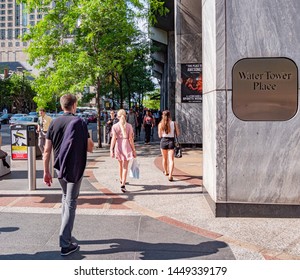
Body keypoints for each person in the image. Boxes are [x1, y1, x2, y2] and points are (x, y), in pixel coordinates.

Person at [43, 94, 94, 256]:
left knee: (65, 198)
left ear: (61, 106)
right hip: (74, 167)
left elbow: (46, 150)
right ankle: (65, 243)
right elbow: (90, 147)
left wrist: (46, 171)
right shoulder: (79, 122)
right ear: (74, 105)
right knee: (71, 201)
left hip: (59, 168)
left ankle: (67, 235)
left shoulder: (54, 123)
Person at [110, 109, 137, 193]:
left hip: (118, 145)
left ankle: (122, 179)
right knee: (125, 166)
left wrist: (111, 149)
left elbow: (113, 138)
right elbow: (131, 139)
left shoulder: (115, 126)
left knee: (120, 165)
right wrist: (134, 150)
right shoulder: (129, 126)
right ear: (125, 116)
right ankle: (123, 184)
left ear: (118, 117)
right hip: (127, 145)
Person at [158, 110, 180, 181]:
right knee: (171, 159)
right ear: (170, 115)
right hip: (171, 141)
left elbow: (159, 135)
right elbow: (178, 133)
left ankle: (166, 171)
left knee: (164, 158)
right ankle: (170, 175)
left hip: (163, 141)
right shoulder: (174, 123)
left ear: (162, 116)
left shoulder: (160, 124)